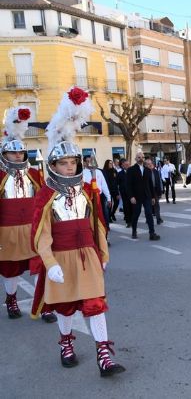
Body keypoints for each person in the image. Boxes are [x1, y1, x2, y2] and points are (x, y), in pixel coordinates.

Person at [31, 86, 125, 376]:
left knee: (96, 304)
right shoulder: (45, 194)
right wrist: (50, 263)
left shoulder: (88, 190)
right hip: (60, 257)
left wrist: (104, 253)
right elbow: (41, 233)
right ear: (54, 164)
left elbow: (97, 223)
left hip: (87, 254)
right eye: (64, 163)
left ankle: (104, 355)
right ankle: (66, 343)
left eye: (73, 162)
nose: (70, 167)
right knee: (66, 306)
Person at [0, 106, 56, 323]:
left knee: (41, 267)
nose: (18, 155)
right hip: (7, 232)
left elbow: (44, 199)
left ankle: (44, 305)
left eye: (21, 152)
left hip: (33, 230)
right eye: (13, 152)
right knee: (11, 270)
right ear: (4, 154)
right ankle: (11, 299)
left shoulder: (34, 173)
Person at [126, 151, 160, 241]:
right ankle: (134, 231)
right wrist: (131, 196)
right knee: (136, 214)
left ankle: (152, 233)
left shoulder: (148, 170)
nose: (141, 159)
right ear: (135, 159)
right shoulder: (131, 170)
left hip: (147, 196)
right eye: (139, 157)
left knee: (149, 214)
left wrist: (153, 196)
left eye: (142, 157)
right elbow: (128, 185)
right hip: (136, 197)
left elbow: (150, 184)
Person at [82, 155, 111, 231]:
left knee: (104, 215)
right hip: (89, 198)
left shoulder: (99, 172)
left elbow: (104, 185)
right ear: (84, 163)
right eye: (87, 162)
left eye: (90, 161)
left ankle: (105, 233)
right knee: (91, 216)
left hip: (100, 197)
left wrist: (108, 198)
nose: (89, 163)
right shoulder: (82, 173)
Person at [146, 158, 163, 225]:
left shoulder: (155, 171)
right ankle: (148, 219)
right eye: (148, 164)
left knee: (156, 205)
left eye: (151, 164)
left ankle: (158, 219)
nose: (150, 165)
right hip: (147, 191)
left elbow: (159, 181)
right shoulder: (145, 172)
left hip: (155, 190)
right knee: (148, 206)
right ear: (146, 165)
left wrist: (161, 190)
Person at [116, 159, 131, 227]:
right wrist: (118, 193)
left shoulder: (132, 172)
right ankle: (128, 221)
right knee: (126, 207)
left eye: (128, 165)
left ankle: (132, 219)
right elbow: (117, 184)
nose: (127, 166)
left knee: (132, 207)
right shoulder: (120, 174)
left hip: (132, 193)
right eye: (126, 165)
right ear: (122, 166)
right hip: (124, 193)